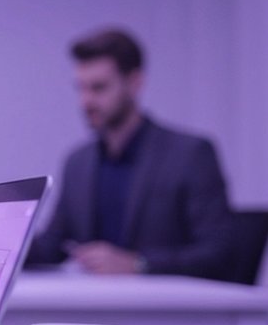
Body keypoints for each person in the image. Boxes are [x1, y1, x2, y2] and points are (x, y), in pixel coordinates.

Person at [27, 27, 234, 279]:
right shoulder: (78, 162)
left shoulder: (190, 154)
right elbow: (52, 246)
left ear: (134, 83)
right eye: (81, 88)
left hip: (169, 310)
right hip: (94, 304)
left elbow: (221, 253)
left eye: (99, 88)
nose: (86, 101)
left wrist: (139, 263)